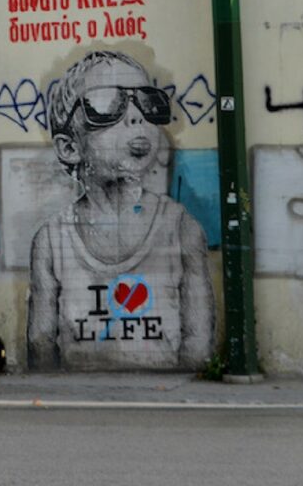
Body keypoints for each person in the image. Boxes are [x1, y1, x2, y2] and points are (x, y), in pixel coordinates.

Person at [27, 49, 215, 371]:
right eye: (105, 104)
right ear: (70, 148)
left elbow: (198, 338)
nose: (135, 116)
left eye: (147, 101)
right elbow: (41, 341)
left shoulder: (181, 228)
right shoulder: (52, 240)